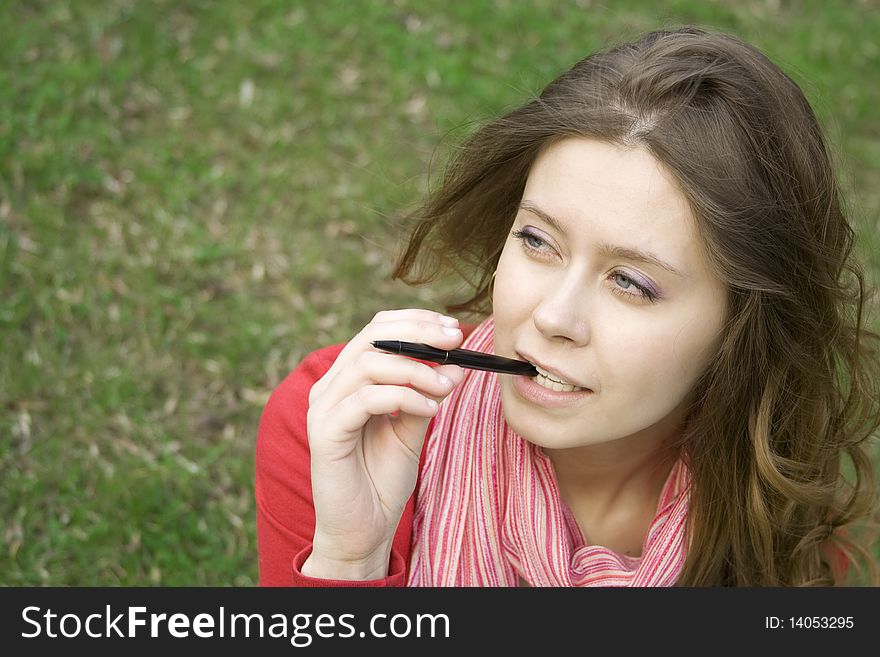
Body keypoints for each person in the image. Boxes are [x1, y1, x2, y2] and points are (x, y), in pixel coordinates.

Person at [255, 26, 880, 586]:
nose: (553, 317)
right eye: (537, 240)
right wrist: (350, 560)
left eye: (630, 283)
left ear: (740, 327)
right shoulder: (341, 431)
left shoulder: (778, 505)